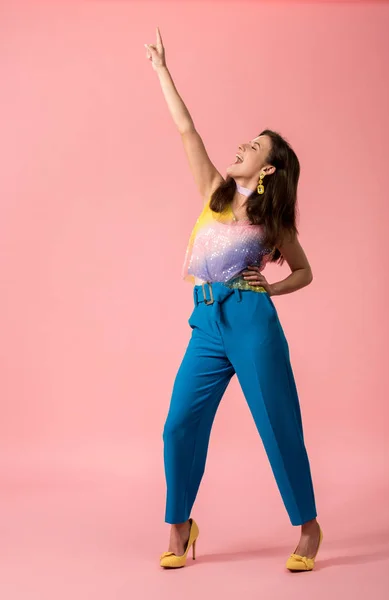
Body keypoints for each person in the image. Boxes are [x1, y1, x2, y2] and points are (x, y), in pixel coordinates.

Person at [145, 27, 323, 572]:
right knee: (179, 424)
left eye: (255, 146)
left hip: (250, 320)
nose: (243, 146)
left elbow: (305, 272)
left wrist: (269, 288)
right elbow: (185, 129)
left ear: (267, 168)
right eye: (246, 141)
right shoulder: (214, 191)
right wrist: (161, 71)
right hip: (205, 320)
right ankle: (181, 521)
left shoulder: (272, 220)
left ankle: (309, 527)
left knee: (277, 421)